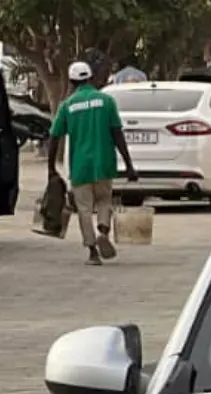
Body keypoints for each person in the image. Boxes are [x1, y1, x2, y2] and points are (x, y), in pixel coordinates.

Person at [46, 60, 139, 266]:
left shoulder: (67, 106)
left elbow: (54, 137)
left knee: (84, 209)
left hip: (80, 166)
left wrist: (51, 167)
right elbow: (117, 134)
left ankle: (92, 252)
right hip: (104, 163)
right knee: (105, 200)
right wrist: (129, 164)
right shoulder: (106, 101)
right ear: (90, 78)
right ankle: (103, 230)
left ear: (71, 81)